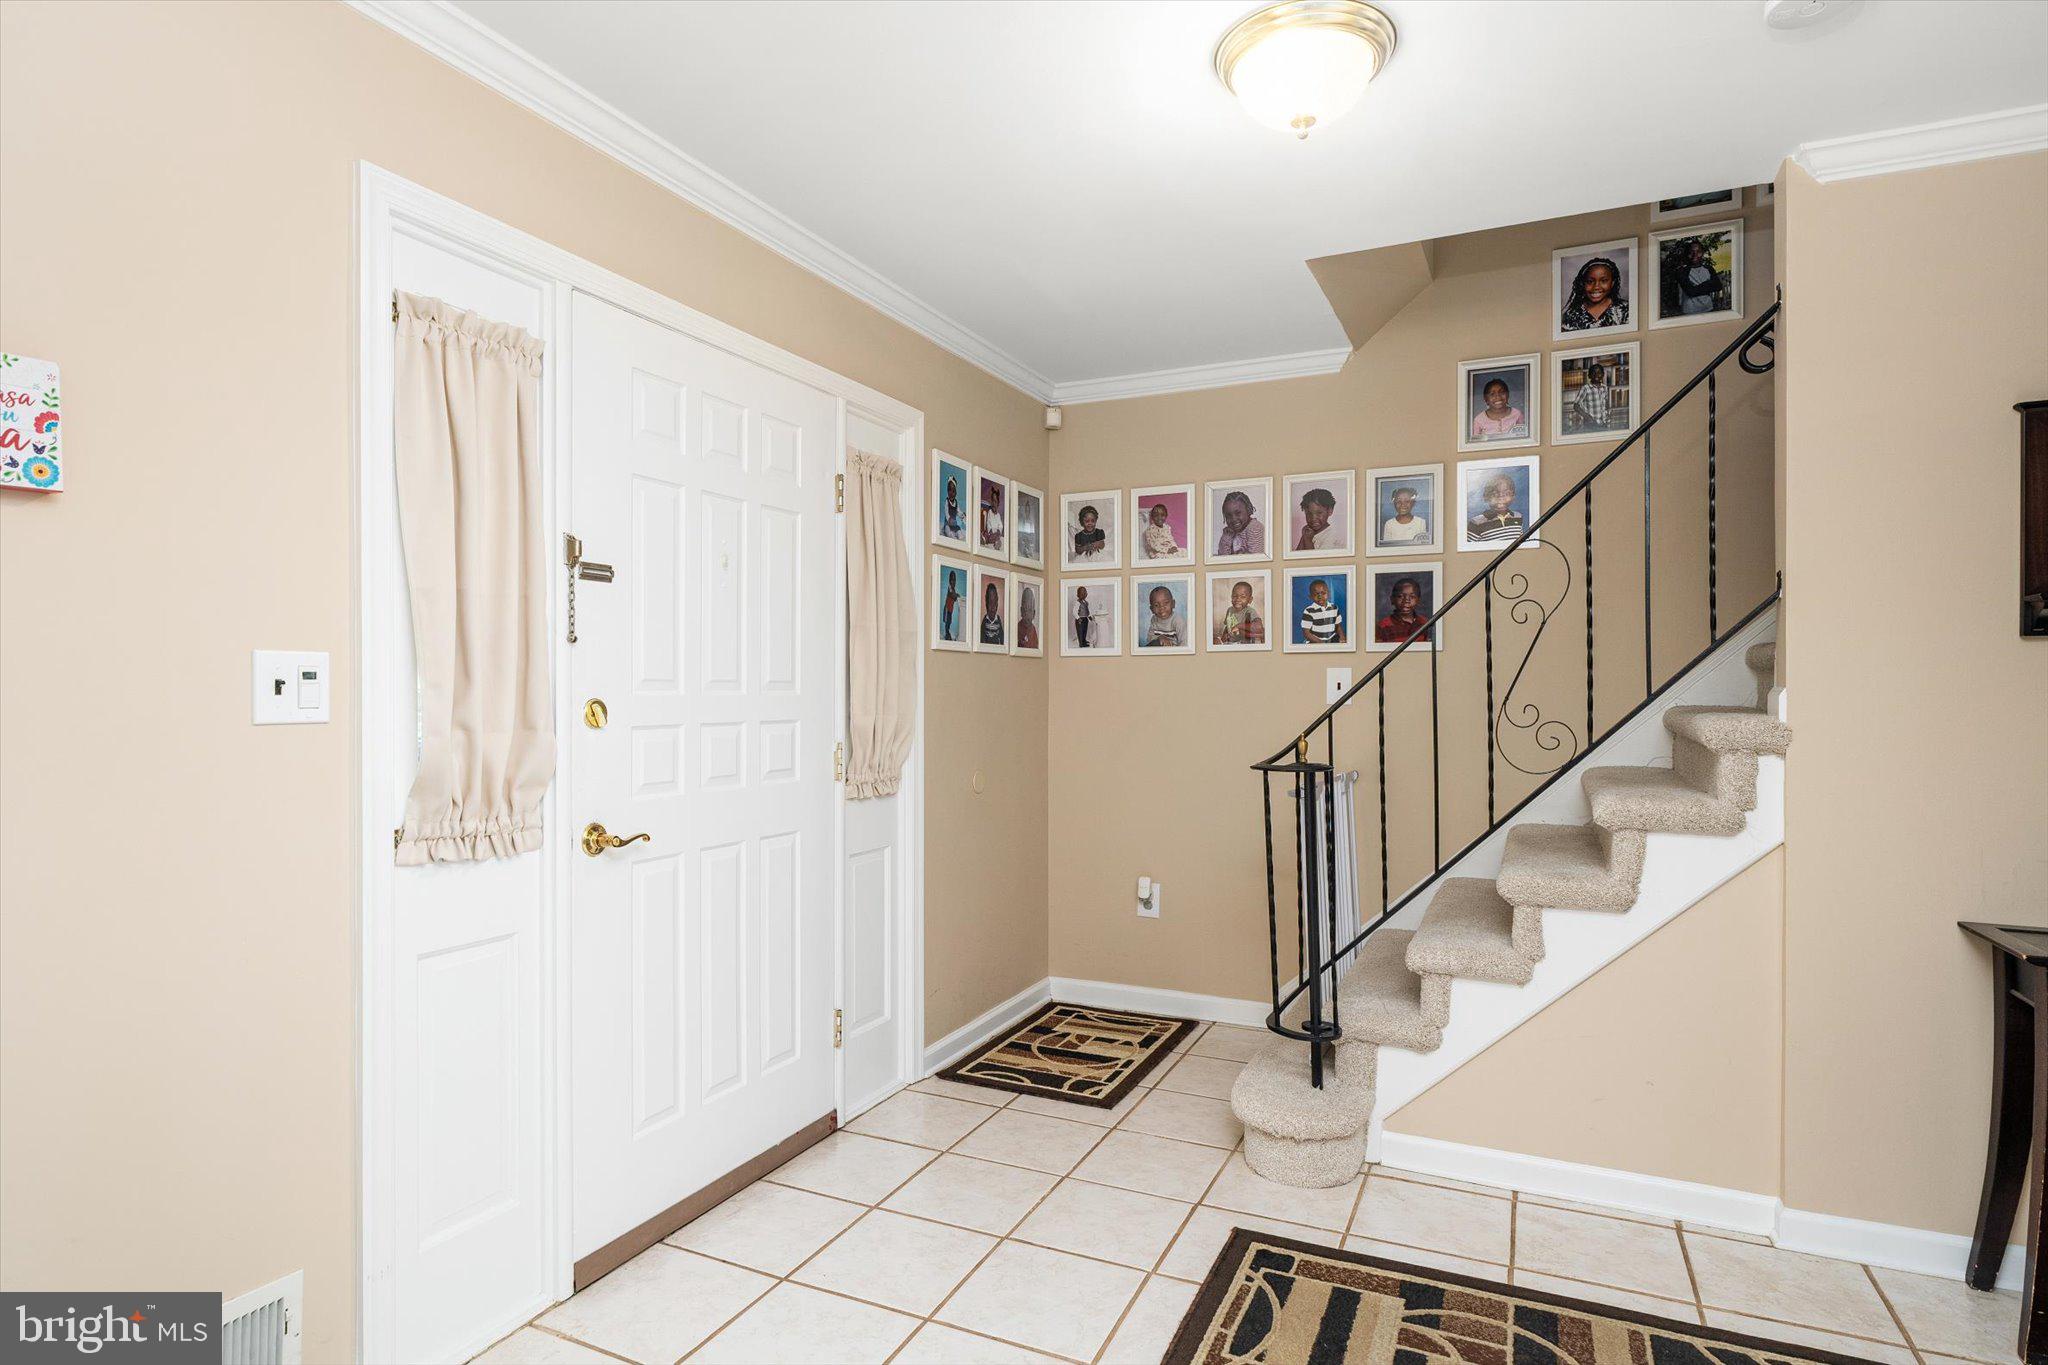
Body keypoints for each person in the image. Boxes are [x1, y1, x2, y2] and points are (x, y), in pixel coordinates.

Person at [1560, 255, 1630, 332]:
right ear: (1583, 284)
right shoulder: (1571, 315)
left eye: (1604, 281)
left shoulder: (1626, 309)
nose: (1596, 287)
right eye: (1590, 281)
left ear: (1612, 283)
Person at [1467, 473, 1525, 544]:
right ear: (1486, 497)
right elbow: (1470, 549)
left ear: (1513, 497)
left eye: (1506, 494)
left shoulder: (1518, 517)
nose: (1501, 498)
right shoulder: (1476, 522)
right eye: (1494, 494)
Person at [1375, 575, 1432, 646]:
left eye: (1412, 596)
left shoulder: (1425, 623)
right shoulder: (1383, 626)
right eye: (1400, 596)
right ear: (1392, 599)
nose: (1406, 601)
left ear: (1418, 600)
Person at [1469, 377, 1527, 442]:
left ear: (1507, 395)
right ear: (1486, 399)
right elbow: (1475, 444)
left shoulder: (1517, 414)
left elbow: (1523, 438)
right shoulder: (1478, 420)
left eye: (1502, 392)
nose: (1498, 397)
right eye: (1492, 394)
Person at [1214, 489, 1265, 558]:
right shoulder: (1229, 532)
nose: (1233, 519)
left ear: (1248, 510)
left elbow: (1255, 558)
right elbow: (1222, 558)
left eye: (1238, 513)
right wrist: (1226, 537)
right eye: (1228, 516)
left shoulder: (1254, 528)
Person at [1215, 580, 1265, 646]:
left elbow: (1259, 627)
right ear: (1231, 597)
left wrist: (1238, 626)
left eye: (1243, 597)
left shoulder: (1249, 611)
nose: (1238, 599)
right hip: (1230, 642)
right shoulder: (1230, 610)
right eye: (1235, 596)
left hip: (1244, 643)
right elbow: (1228, 626)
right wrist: (1223, 638)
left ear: (1250, 600)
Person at [1139, 584, 1186, 649]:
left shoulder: (1178, 620)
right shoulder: (1154, 619)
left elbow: (1184, 642)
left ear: (1173, 604)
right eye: (1156, 605)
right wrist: (1159, 638)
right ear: (1151, 609)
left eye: (1166, 603)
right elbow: (1150, 638)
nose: (1161, 607)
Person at [1572, 360, 1615, 433]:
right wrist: (1587, 417)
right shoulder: (1585, 388)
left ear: (1603, 374)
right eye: (1593, 373)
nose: (1596, 375)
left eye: (1599, 373)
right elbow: (1576, 406)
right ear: (1589, 375)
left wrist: (1608, 416)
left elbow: (1605, 403)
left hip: (1604, 424)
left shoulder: (1605, 388)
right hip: (1590, 425)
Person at [1299, 577, 1344, 645]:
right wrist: (1322, 643)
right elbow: (1306, 633)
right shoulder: (1309, 611)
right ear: (1310, 596)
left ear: (1328, 593)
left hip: (1332, 639)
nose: (1320, 597)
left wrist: (1342, 636)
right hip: (1315, 641)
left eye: (1323, 593)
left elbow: (1338, 626)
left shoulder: (1334, 608)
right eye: (1316, 594)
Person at [1294, 486, 1341, 552]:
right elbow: (1296, 555)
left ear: (1330, 511)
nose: (1313, 518)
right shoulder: (1308, 532)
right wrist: (1304, 537)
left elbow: (1314, 560)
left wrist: (1308, 540)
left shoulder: (1332, 537)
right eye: (1309, 514)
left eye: (1319, 513)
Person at [1070, 584, 1098, 649]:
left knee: (1085, 630)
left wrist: (1089, 616)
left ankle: (1084, 641)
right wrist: (1078, 618)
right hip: (1080, 620)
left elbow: (1087, 611)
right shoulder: (1077, 602)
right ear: (1078, 595)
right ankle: (1081, 643)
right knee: (1080, 631)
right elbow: (1074, 611)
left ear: (1086, 594)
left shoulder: (1086, 602)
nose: (1084, 594)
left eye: (1085, 593)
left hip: (1085, 619)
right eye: (1081, 593)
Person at [978, 482, 1005, 551]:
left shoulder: (998, 515)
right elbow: (988, 522)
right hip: (990, 532)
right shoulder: (989, 512)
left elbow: (1000, 525)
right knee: (986, 535)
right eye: (992, 501)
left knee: (997, 537)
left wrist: (998, 530)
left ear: (998, 503)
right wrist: (991, 530)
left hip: (996, 533)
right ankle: (984, 540)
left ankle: (996, 543)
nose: (993, 503)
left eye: (995, 502)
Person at [978, 581, 1004, 646]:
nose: (992, 607)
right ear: (986, 604)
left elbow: (1002, 636)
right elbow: (981, 636)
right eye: (990, 603)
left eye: (994, 603)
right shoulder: (985, 620)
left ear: (997, 604)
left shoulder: (998, 620)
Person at [939, 476, 965, 541]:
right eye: (949, 490)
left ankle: (959, 537)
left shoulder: (956, 502)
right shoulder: (947, 501)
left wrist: (962, 515)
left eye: (953, 491)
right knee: (949, 533)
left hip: (954, 524)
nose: (951, 493)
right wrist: (949, 519)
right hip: (948, 524)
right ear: (947, 491)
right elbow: (946, 511)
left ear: (956, 493)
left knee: (960, 533)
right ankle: (951, 535)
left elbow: (958, 511)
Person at [940, 569, 963, 641]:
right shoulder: (950, 587)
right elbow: (953, 595)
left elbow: (955, 598)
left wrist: (956, 595)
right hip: (947, 608)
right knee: (947, 622)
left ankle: (948, 633)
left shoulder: (953, 589)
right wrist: (956, 595)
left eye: (955, 580)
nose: (954, 582)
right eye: (952, 580)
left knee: (949, 622)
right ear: (949, 580)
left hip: (950, 609)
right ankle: (947, 634)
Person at [1015, 585, 1039, 650]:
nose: (1027, 614)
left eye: (1030, 610)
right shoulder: (1017, 628)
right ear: (1021, 611)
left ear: (1034, 613)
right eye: (1025, 610)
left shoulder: (1033, 629)